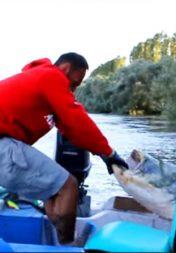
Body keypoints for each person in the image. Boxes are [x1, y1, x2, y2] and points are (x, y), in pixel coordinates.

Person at [0, 52, 128, 244]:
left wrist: (103, 154)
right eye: (74, 84)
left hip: (5, 144)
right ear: (66, 68)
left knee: (52, 192)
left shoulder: (39, 81)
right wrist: (111, 153)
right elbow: (77, 118)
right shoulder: (51, 76)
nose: (73, 91)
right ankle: (69, 246)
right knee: (68, 186)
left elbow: (72, 129)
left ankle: (58, 240)